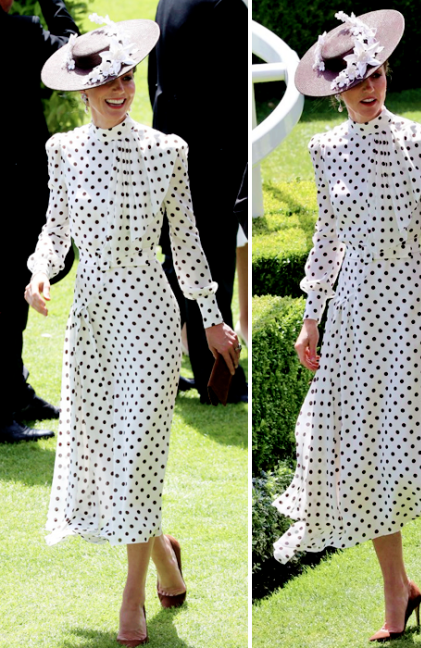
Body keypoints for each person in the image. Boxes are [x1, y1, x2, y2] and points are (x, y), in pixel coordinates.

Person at [24, 15, 241, 647]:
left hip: (149, 312)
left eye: (127, 74)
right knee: (111, 452)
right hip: (90, 318)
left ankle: (133, 595)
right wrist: (38, 273)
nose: (119, 87)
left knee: (139, 449)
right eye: (105, 79)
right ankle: (167, 559)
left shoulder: (169, 151)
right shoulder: (61, 152)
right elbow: (54, 228)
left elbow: (189, 243)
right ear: (82, 89)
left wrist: (213, 318)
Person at [271, 10, 421, 642]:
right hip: (354, 313)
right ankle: (399, 588)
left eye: (378, 74)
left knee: (411, 449)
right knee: (357, 454)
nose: (369, 89)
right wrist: (311, 318)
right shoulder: (324, 148)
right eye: (356, 81)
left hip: (411, 308)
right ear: (335, 89)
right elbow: (328, 241)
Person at [148, 0, 248, 403]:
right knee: (213, 266)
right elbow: (235, 93)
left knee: (176, 264)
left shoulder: (167, 2)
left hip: (171, 143)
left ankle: (164, 369)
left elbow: (158, 78)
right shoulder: (225, 7)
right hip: (213, 156)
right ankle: (218, 380)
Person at [0, 0, 78, 443]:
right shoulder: (23, 32)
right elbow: (78, 52)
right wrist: (53, 2)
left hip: (13, 186)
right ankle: (2, 408)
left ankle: (15, 392)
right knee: (6, 299)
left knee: (10, 296)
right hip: (14, 185)